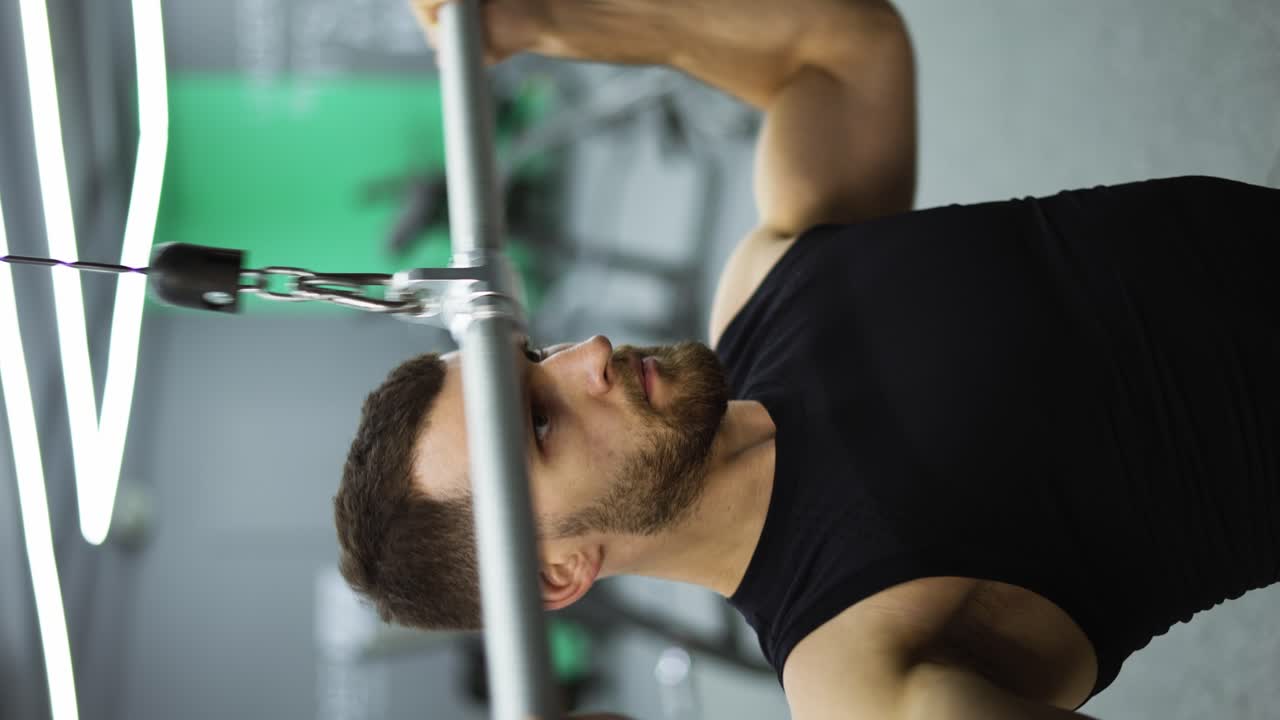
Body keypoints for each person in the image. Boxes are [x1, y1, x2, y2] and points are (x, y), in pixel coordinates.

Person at [333, 1, 1280, 718]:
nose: (590, 356)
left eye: (535, 356)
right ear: (558, 575)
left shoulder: (768, 286)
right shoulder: (856, 666)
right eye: (541, 425)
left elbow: (836, 50)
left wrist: (543, 19)